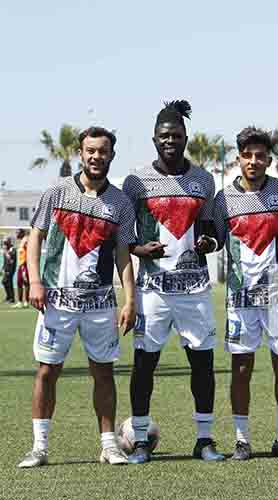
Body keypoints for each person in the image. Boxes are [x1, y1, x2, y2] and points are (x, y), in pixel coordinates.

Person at [17, 127, 136, 468]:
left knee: (104, 373)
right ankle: (39, 448)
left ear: (111, 155)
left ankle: (109, 446)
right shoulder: (56, 191)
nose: (96, 156)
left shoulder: (121, 203)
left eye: (103, 151)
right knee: (47, 371)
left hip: (100, 304)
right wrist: (35, 281)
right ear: (80, 154)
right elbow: (36, 236)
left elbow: (123, 254)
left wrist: (130, 300)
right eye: (90, 150)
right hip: (57, 302)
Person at [123, 100, 223, 464]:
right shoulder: (135, 182)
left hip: (194, 289)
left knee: (203, 364)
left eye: (177, 136)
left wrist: (209, 243)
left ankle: (204, 439)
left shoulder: (204, 180)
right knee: (144, 364)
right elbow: (123, 235)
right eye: (164, 136)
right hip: (152, 290)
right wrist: (139, 249)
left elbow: (212, 231)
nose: (170, 141)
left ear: (185, 139)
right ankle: (140, 440)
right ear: (154, 139)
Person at [213, 127, 278, 460]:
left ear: (269, 160)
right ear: (238, 159)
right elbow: (215, 239)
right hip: (240, 300)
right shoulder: (223, 199)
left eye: (260, 156)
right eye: (247, 155)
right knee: (241, 368)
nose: (253, 161)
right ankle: (241, 441)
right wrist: (205, 242)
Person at [15, 229, 29, 308]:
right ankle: (20, 302)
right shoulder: (22, 241)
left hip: (25, 264)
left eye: (18, 233)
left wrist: (24, 265)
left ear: (22, 233)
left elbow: (28, 252)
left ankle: (26, 301)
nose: (16, 234)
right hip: (21, 264)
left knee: (25, 282)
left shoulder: (26, 240)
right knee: (19, 283)